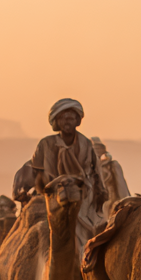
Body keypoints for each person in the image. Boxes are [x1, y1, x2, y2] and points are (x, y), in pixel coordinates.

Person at [28, 98, 107, 237]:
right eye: (63, 118)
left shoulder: (86, 144)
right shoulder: (45, 144)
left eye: (71, 118)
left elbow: (97, 173)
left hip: (83, 196)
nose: (67, 122)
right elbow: (37, 174)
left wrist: (99, 192)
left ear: (77, 121)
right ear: (56, 121)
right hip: (53, 196)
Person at [91, 137, 131, 214]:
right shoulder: (88, 169)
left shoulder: (112, 165)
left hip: (110, 204)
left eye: (98, 148)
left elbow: (121, 186)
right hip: (93, 205)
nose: (96, 150)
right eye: (94, 148)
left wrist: (124, 203)